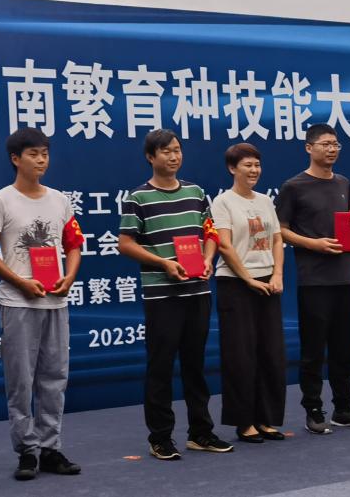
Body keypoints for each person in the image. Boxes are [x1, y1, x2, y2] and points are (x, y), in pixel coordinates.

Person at [118, 129, 233, 460]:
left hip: (197, 290)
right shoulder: (138, 198)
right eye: (166, 151)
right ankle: (160, 437)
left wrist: (208, 260)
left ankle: (201, 432)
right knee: (161, 366)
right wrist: (163, 263)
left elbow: (210, 232)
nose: (174, 156)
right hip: (162, 295)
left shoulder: (196, 192)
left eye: (178, 150)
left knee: (196, 365)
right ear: (150, 157)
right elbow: (125, 243)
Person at [0, 128, 84, 481]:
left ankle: (50, 448)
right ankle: (27, 450)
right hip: (18, 302)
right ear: (15, 158)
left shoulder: (59, 200)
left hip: (55, 301)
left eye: (45, 153)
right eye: (34, 154)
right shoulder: (1, 201)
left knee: (55, 377)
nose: (41, 160)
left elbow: (73, 244)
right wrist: (20, 282)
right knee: (21, 381)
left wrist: (69, 276)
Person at [274, 124, 350, 435]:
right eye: (326, 144)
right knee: (314, 349)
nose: (332, 149)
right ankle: (313, 408)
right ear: (309, 148)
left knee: (345, 348)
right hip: (315, 279)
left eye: (336, 144)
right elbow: (280, 230)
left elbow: (347, 220)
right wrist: (313, 243)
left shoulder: (343, 182)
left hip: (347, 275)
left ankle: (344, 407)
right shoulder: (293, 186)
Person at [211, 142, 287, 444]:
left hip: (268, 282)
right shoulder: (223, 202)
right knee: (240, 355)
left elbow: (277, 240)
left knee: (271, 353)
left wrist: (277, 274)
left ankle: (266, 418)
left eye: (257, 165)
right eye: (247, 165)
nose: (254, 170)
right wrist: (248, 279)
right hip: (235, 283)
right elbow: (224, 245)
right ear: (232, 169)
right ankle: (244, 422)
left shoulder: (266, 200)